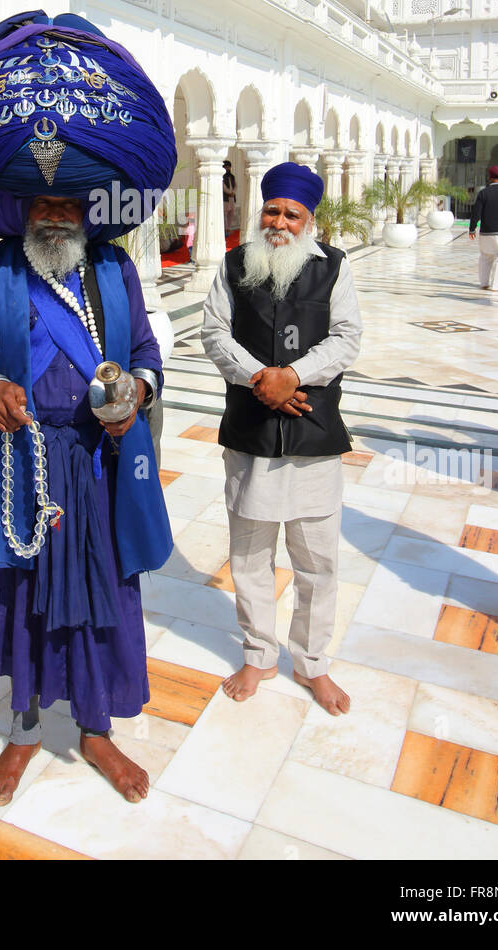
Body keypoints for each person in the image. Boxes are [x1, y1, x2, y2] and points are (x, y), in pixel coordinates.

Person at [0, 8, 176, 808]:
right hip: (18, 470)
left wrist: (135, 396)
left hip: (96, 464)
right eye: (39, 203)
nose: (54, 213)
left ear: (89, 208)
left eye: (67, 204)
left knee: (99, 592)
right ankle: (23, 736)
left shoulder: (115, 273)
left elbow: (151, 360)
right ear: (17, 207)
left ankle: (97, 730)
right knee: (17, 595)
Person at [201, 161, 362, 717]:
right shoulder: (234, 264)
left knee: (316, 559)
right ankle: (258, 654)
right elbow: (213, 331)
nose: (280, 222)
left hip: (312, 430)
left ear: (309, 220)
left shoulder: (334, 269)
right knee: (249, 554)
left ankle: (312, 664)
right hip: (250, 430)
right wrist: (259, 380)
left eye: (292, 214)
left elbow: (347, 339)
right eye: (272, 210)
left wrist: (292, 376)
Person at [223, 159, 239, 234]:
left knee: (231, 213)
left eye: (229, 167)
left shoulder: (232, 176)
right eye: (226, 167)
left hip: (232, 197)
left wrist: (233, 192)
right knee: (225, 213)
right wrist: (229, 192)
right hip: (225, 198)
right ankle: (225, 229)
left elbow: (236, 185)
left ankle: (229, 228)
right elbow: (223, 187)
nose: (228, 168)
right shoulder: (222, 176)